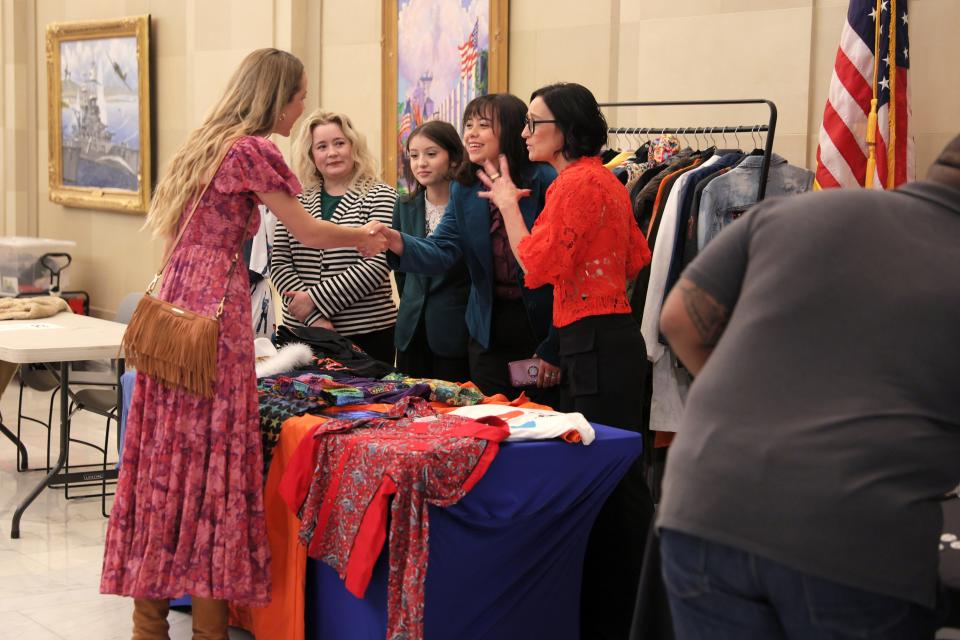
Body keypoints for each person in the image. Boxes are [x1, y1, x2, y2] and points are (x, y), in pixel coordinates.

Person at [99, 48, 386, 639]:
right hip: (216, 314)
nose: (303, 107)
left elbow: (174, 234)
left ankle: (147, 627)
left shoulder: (204, 141)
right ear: (277, 96)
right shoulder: (253, 150)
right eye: (301, 95)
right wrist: (365, 238)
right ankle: (206, 630)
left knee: (164, 463)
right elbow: (305, 229)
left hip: (176, 309)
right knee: (212, 469)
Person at [655, 135, 960, 640]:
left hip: (705, 508)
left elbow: (680, 320)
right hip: (855, 541)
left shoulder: (796, 213)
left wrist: (751, 407)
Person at [476, 81, 654, 640]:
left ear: (566, 129)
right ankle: (627, 609)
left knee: (611, 477)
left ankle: (627, 615)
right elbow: (635, 257)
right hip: (606, 335)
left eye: (534, 123)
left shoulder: (574, 184)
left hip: (597, 339)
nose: (525, 133)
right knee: (615, 474)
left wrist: (508, 206)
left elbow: (535, 265)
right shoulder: (603, 179)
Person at [377, 93, 562, 401]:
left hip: (537, 329)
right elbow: (442, 251)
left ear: (513, 128)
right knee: (489, 420)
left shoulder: (545, 179)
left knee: (541, 423)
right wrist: (395, 240)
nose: (471, 133)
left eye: (483, 125)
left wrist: (554, 345)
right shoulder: (466, 187)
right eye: (468, 124)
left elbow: (563, 274)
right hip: (486, 329)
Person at [271, 110, 398, 364]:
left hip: (367, 332)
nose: (332, 153)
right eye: (322, 146)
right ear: (311, 154)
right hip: (303, 334)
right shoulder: (295, 200)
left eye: (339, 143)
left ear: (354, 146)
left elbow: (377, 264)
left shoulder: (381, 194)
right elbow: (280, 263)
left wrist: (314, 299)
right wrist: (313, 317)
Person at [391, 120, 470, 381]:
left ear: (455, 159)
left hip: (455, 329)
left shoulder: (468, 205)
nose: (421, 163)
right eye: (414, 156)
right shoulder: (404, 205)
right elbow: (401, 271)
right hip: (411, 329)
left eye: (431, 154)